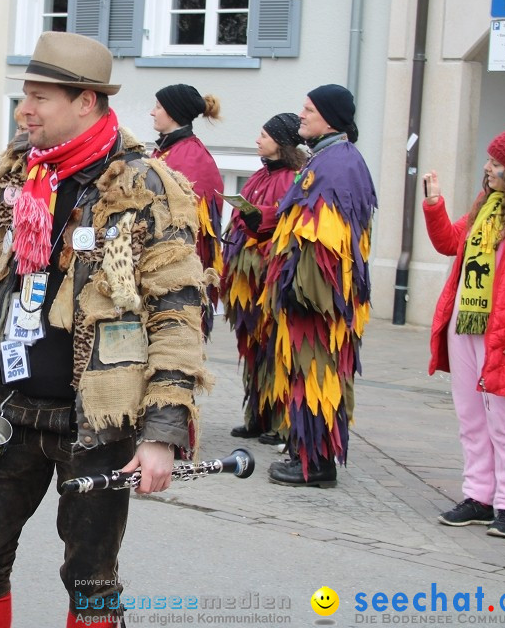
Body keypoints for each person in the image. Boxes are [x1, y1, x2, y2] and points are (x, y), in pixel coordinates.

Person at [0, 31, 213, 627]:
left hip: (99, 421)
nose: (23, 110)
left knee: (91, 579)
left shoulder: (148, 185)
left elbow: (179, 314)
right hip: (11, 403)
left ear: (87, 102)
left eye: (39, 98)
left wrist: (162, 432)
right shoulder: (16, 170)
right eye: (22, 95)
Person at [423, 117, 505, 539]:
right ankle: (479, 496)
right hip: (465, 325)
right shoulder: (485, 205)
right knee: (471, 418)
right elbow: (450, 244)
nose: (487, 167)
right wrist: (434, 205)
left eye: (495, 162)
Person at [264, 85, 376, 488]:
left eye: (308, 110)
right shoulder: (329, 159)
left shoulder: (339, 164)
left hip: (319, 301)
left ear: (329, 118)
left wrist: (305, 291)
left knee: (318, 375)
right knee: (308, 375)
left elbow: (330, 240)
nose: (301, 116)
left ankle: (316, 463)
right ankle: (307, 453)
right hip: (314, 297)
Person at [221, 113, 308, 441]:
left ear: (281, 142)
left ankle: (279, 421)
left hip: (269, 278)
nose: (258, 140)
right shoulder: (258, 176)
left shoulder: (291, 178)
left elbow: (285, 227)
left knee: (277, 349)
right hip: (248, 281)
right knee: (253, 348)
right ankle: (256, 414)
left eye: (264, 135)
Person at [150, 83, 224, 336]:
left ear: (171, 113)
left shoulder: (190, 156)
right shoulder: (167, 149)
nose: (152, 112)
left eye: (158, 107)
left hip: (178, 271)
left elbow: (185, 222)